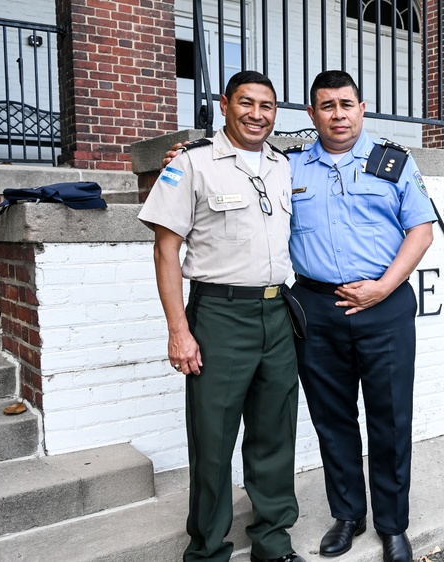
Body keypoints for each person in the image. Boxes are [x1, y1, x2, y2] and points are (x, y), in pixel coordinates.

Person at [139, 70, 305, 562]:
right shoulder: (192, 164)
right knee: (213, 440)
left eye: (268, 106)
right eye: (246, 103)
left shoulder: (282, 165)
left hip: (277, 313)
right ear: (225, 104)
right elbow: (165, 251)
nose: (257, 114)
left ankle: (273, 543)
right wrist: (178, 332)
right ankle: (208, 549)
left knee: (275, 434)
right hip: (219, 315)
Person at [287, 70, 435, 562]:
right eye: (326, 106)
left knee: (390, 418)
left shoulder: (391, 162)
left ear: (362, 108)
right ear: (311, 114)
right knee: (333, 418)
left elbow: (421, 231)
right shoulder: (286, 167)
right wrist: (188, 152)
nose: (338, 114)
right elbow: (236, 161)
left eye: (346, 104)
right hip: (318, 307)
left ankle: (393, 525)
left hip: (385, 305)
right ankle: (348, 514)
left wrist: (381, 289)